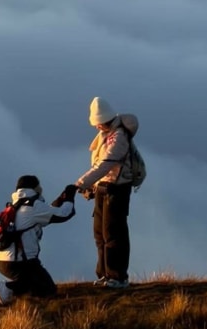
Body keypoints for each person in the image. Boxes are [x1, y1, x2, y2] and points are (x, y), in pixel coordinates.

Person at [74, 96, 137, 289]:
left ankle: (117, 277)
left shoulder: (118, 137)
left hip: (116, 189)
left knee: (113, 233)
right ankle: (105, 274)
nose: (96, 127)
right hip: (104, 188)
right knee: (100, 233)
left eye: (98, 123)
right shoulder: (108, 134)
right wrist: (92, 186)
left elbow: (106, 164)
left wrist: (82, 183)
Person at [0, 175, 78, 305]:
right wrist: (70, 196)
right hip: (18, 262)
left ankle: (17, 292)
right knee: (48, 289)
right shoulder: (34, 206)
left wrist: (61, 198)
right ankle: (9, 288)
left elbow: (48, 212)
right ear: (35, 188)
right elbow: (64, 214)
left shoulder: (16, 205)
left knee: (43, 286)